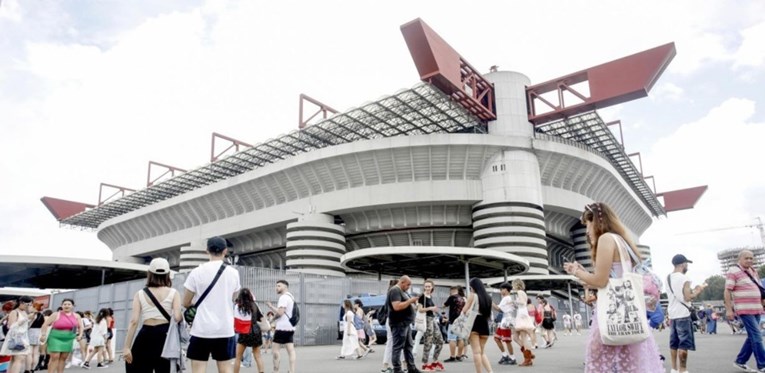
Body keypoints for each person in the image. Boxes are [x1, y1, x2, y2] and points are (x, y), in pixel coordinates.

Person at [563, 202, 663, 372]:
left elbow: (600, 281)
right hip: (628, 313)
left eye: (588, 224)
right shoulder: (622, 241)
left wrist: (576, 272)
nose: (587, 231)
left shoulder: (606, 238)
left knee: (597, 358)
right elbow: (612, 278)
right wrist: (585, 275)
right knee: (631, 363)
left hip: (611, 313)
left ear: (597, 221)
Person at [183, 236, 242, 373]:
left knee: (198, 370)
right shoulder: (233, 273)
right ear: (225, 251)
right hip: (225, 329)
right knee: (226, 369)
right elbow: (234, 297)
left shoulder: (196, 272)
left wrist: (200, 306)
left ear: (206, 251)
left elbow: (185, 302)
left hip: (201, 329)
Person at [124, 257, 182, 372]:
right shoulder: (174, 293)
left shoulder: (140, 294)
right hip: (165, 337)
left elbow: (134, 321)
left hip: (145, 335)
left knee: (137, 367)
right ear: (168, 274)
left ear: (149, 273)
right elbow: (177, 317)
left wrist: (126, 347)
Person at [725, 249, 765, 372]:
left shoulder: (753, 271)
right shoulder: (733, 271)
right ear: (740, 259)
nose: (749, 260)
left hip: (757, 308)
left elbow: (759, 289)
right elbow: (727, 290)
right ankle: (762, 365)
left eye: (751, 258)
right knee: (757, 336)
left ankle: (740, 361)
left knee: (752, 337)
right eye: (746, 258)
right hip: (744, 309)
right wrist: (729, 310)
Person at [667, 254, 706, 373]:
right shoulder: (685, 278)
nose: (687, 266)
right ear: (682, 264)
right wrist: (699, 290)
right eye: (686, 264)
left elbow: (679, 295)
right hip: (683, 314)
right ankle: (683, 370)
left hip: (672, 314)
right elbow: (688, 297)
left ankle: (673, 368)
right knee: (683, 344)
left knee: (674, 343)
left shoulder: (668, 277)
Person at [386, 275, 421, 373]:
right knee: (398, 347)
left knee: (408, 346)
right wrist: (411, 300)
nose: (409, 286)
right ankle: (397, 369)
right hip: (399, 323)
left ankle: (411, 368)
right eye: (408, 284)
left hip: (405, 323)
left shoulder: (403, 292)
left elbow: (407, 305)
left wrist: (414, 304)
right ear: (402, 282)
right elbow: (396, 306)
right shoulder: (395, 290)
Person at [39, 299, 84, 373]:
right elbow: (45, 324)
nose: (67, 306)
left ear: (72, 306)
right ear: (61, 305)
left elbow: (80, 326)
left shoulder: (76, 316)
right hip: (55, 337)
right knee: (55, 357)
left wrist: (80, 335)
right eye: (65, 304)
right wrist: (43, 335)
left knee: (63, 358)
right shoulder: (56, 314)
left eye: (69, 304)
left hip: (68, 339)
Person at [267, 280, 297, 373]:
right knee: (291, 350)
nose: (277, 288)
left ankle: (276, 371)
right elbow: (283, 311)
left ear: (285, 287)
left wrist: (272, 320)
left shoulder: (283, 297)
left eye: (279, 286)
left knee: (275, 350)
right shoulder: (290, 296)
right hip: (290, 327)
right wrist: (271, 307)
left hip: (281, 328)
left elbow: (280, 313)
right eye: (276, 286)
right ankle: (292, 371)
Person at [463, 278, 492, 373]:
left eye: (471, 287)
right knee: (481, 352)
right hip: (484, 324)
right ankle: (490, 372)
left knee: (476, 352)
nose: (470, 289)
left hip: (474, 323)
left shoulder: (472, 295)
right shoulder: (488, 297)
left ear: (473, 287)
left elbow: (464, 310)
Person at [233, 288, 265, 373]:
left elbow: (234, 318)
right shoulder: (254, 305)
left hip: (244, 331)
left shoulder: (237, 306)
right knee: (257, 356)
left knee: (238, 358)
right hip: (255, 330)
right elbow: (261, 318)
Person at [1, 296, 33, 373]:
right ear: (21, 303)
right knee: (19, 359)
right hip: (16, 338)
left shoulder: (24, 312)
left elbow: (26, 327)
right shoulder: (14, 312)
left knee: (15, 359)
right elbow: (11, 326)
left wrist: (30, 318)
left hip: (23, 338)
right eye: (28, 304)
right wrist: (26, 318)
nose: (28, 306)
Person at [418, 280, 444, 372]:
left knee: (440, 341)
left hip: (432, 319)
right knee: (428, 342)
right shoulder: (422, 297)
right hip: (427, 320)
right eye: (426, 286)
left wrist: (435, 310)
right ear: (424, 287)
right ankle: (425, 364)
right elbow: (420, 310)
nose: (428, 288)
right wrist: (430, 308)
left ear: (432, 287)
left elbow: (431, 309)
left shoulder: (430, 296)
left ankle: (435, 361)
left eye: (429, 286)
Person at [511, 279, 535, 367]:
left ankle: (527, 359)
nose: (512, 287)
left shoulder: (520, 292)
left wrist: (514, 302)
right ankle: (528, 354)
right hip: (522, 313)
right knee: (516, 337)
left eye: (513, 285)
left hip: (521, 314)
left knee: (523, 338)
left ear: (517, 285)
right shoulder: (522, 292)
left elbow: (522, 302)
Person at [492, 281, 516, 365]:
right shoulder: (508, 298)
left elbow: (498, 309)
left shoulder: (506, 298)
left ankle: (512, 358)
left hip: (506, 320)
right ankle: (505, 355)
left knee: (507, 340)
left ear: (506, 289)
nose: (500, 291)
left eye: (501, 289)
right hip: (504, 320)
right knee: (497, 338)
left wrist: (490, 302)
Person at [442, 286, 466, 363]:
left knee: (452, 338)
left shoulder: (452, 297)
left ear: (452, 290)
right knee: (460, 338)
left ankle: (452, 357)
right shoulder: (462, 298)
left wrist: (443, 306)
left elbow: (444, 305)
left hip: (453, 321)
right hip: (461, 321)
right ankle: (459, 356)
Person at [380, 279, 399, 373]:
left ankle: (385, 366)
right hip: (396, 320)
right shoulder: (395, 294)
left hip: (389, 320)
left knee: (390, 343)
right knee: (400, 343)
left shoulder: (388, 294)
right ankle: (402, 366)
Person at [26, 302, 44, 373]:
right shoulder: (41, 315)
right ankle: (33, 369)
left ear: (34, 307)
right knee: (36, 353)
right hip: (38, 333)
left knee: (29, 353)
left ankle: (28, 369)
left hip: (30, 332)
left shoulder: (31, 315)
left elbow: (27, 325)